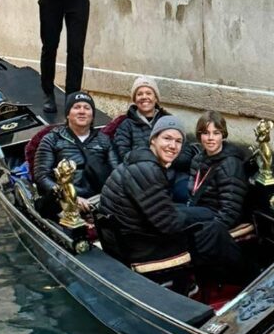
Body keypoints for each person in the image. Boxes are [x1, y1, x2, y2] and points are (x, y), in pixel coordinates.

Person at [98, 116, 241, 275]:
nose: (173, 146)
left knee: (200, 215)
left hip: (127, 237)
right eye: (167, 138)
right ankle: (242, 277)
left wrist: (198, 214)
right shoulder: (148, 170)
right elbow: (169, 225)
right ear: (153, 139)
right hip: (140, 246)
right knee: (214, 230)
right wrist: (202, 219)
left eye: (178, 141)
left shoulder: (139, 160)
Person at [33, 91, 114, 220]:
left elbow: (116, 172)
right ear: (67, 114)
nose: (82, 111)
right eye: (76, 107)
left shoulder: (104, 140)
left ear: (92, 115)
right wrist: (70, 198)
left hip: (99, 199)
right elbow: (41, 175)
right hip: (63, 201)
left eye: (87, 108)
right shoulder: (52, 139)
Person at [180, 111, 249, 232]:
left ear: (223, 135)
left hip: (215, 220)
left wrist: (207, 232)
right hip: (199, 209)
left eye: (216, 133)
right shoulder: (197, 159)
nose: (210, 138)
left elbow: (230, 212)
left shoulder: (230, 164)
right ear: (199, 135)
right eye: (206, 133)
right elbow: (192, 194)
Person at [111, 76, 170, 163]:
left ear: (156, 98)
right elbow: (123, 154)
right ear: (135, 100)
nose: (144, 97)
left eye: (148, 93)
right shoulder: (126, 125)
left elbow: (182, 150)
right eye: (139, 94)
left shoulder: (168, 121)